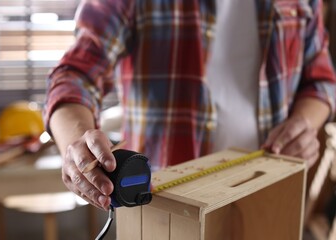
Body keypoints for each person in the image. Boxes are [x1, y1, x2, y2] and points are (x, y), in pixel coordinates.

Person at [43, 0, 336, 211]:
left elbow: (321, 80)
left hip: (269, 196)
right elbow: (75, 74)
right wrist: (76, 144)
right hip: (164, 208)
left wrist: (305, 124)